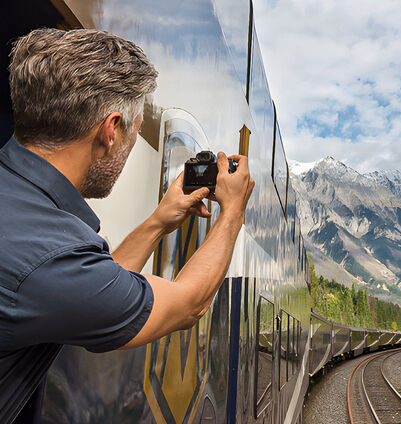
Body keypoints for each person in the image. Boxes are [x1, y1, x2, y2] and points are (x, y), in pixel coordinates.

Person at [0, 28, 254, 423]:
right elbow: (188, 305)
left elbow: (91, 282)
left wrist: (156, 222)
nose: (132, 140)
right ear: (110, 129)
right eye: (135, 129)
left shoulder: (24, 215)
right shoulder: (50, 256)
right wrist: (233, 211)